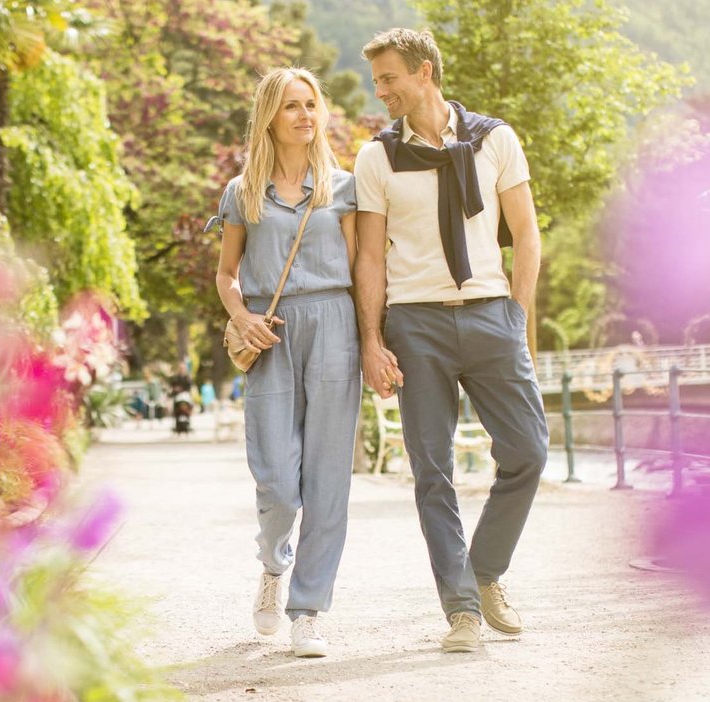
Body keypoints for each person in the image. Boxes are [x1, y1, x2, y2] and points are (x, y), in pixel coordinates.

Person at [353, 28, 549, 653]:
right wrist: (371, 341)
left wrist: (518, 318)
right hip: (416, 324)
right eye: (377, 80)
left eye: (390, 78)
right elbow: (370, 261)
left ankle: (483, 570)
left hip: (491, 313)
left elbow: (526, 233)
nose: (381, 91)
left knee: (528, 451)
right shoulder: (376, 157)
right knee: (431, 470)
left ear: (425, 71)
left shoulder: (495, 139)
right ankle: (462, 612)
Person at [214, 67, 360, 658]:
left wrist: (374, 337)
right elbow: (227, 274)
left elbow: (363, 268)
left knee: (328, 479)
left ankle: (308, 610)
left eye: (311, 105)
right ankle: (273, 567)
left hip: (335, 324)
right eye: (291, 106)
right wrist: (242, 316)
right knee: (276, 478)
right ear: (269, 117)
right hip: (269, 332)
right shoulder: (242, 192)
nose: (305, 115)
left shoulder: (345, 188)